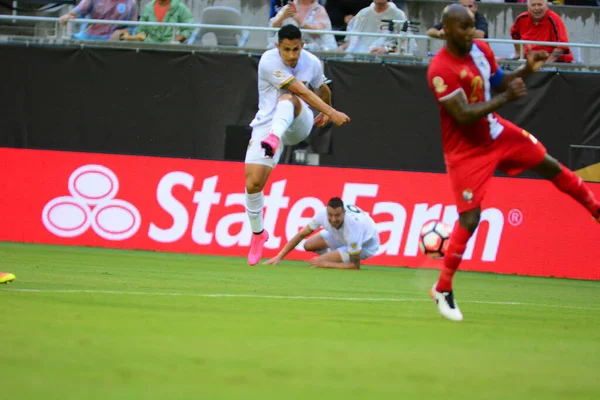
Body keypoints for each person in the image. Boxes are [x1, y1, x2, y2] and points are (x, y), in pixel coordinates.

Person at [426, 4, 600, 322]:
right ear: (447, 30)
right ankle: (443, 288)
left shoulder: (480, 49)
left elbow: (499, 81)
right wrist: (506, 99)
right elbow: (462, 116)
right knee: (470, 219)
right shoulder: (440, 69)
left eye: (471, 26)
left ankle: (596, 208)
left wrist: (527, 70)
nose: (470, 32)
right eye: (463, 28)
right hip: (465, 151)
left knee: (548, 164)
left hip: (496, 131)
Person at [245, 25, 351, 266]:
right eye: (286, 50)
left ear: (302, 45)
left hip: (298, 121)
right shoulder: (268, 61)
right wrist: (332, 112)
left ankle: (273, 138)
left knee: (289, 98)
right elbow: (300, 86)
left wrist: (326, 107)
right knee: (253, 184)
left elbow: (319, 87)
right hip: (266, 121)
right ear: (277, 47)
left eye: (296, 49)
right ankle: (258, 234)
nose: (292, 55)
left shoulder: (311, 62)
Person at [265, 198, 380, 269]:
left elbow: (355, 266)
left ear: (344, 213)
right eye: (330, 215)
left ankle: (341, 257)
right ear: (326, 212)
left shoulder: (353, 228)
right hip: (341, 235)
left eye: (337, 216)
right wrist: (279, 257)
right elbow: (301, 234)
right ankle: (338, 256)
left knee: (320, 261)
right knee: (308, 245)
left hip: (366, 246)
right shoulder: (322, 214)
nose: (333, 219)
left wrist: (326, 264)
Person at [338, 0, 411, 55]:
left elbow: (406, 46)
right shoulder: (363, 14)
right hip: (358, 57)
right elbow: (352, 40)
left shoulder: (398, 15)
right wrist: (342, 47)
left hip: (384, 62)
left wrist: (386, 49)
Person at [270, 0, 337, 52]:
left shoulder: (319, 10)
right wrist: (283, 17)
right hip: (289, 48)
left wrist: (300, 21)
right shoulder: (288, 8)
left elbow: (319, 33)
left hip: (313, 50)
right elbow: (273, 27)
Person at [58, 0, 138, 41]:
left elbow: (133, 27)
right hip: (88, 41)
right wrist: (67, 16)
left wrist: (121, 32)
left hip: (114, 44)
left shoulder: (131, 3)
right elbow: (77, 12)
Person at [121, 0, 194, 43]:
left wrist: (174, 41)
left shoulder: (180, 7)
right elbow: (141, 29)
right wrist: (136, 37)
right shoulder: (148, 7)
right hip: (150, 50)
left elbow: (189, 28)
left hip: (171, 52)